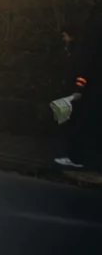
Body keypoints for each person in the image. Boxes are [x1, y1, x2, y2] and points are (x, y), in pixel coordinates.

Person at [54, 17, 100, 168]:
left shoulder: (78, 52)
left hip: (73, 93)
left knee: (69, 124)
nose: (64, 39)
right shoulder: (76, 50)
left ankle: (69, 155)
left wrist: (78, 90)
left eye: (65, 36)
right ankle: (67, 155)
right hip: (71, 92)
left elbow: (81, 73)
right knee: (67, 123)